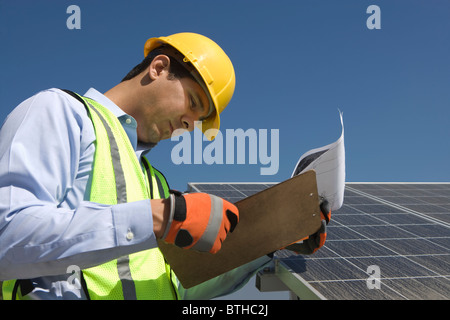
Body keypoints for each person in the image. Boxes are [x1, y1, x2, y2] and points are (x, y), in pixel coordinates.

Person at [0, 32, 329, 300]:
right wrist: (159, 218)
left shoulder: (154, 183)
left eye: (197, 121)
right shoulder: (62, 113)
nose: (189, 123)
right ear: (158, 67)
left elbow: (177, 288)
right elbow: (7, 236)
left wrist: (269, 241)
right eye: (193, 103)